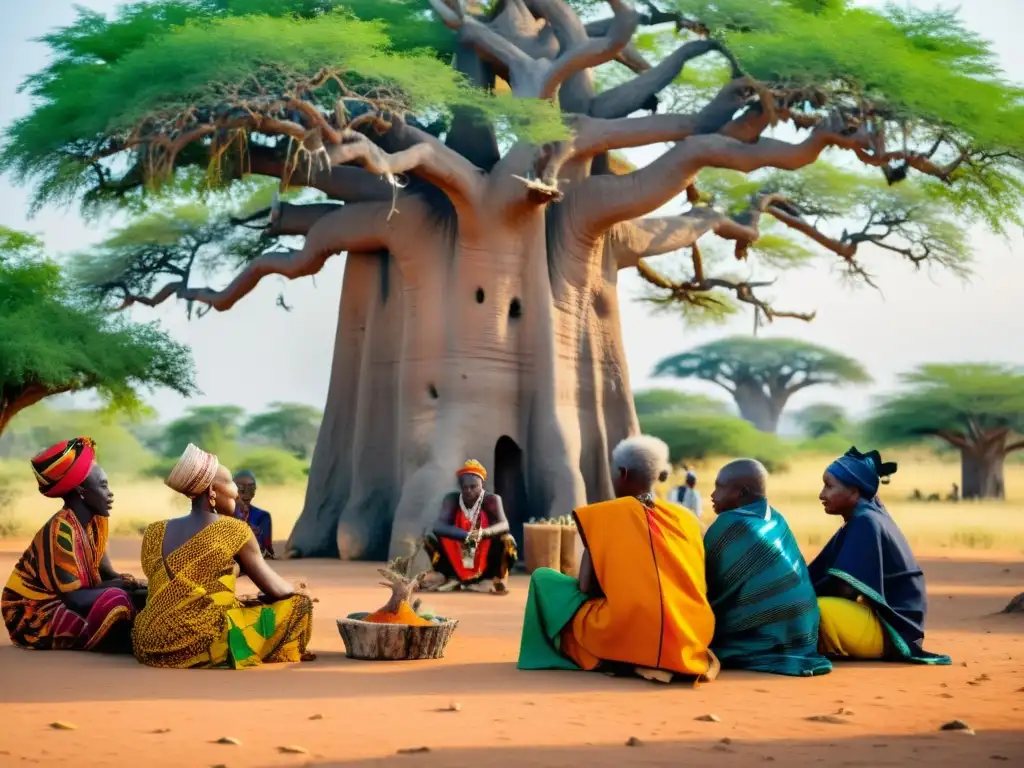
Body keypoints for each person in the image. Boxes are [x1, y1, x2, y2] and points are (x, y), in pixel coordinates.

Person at [517, 435, 716, 683]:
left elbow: (585, 586)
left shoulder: (603, 516)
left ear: (622, 473)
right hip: (688, 634)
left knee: (543, 578)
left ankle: (613, 656)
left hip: (628, 628)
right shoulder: (686, 518)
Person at [132, 444, 315, 668]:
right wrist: (298, 588)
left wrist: (235, 571)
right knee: (300, 604)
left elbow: (177, 583)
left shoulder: (154, 531)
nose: (237, 492)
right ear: (211, 490)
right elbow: (277, 590)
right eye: (230, 483)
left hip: (150, 642)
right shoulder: (234, 530)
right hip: (201, 640)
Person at [808, 447, 950, 665]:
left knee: (808, 610)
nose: (821, 494)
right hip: (879, 623)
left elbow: (844, 589)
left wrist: (799, 597)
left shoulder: (866, 522)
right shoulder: (864, 519)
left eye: (829, 486)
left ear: (854, 492)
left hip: (890, 631)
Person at [2, 437, 145, 652]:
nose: (110, 493)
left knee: (142, 594)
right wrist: (125, 589)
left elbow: (106, 576)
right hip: (35, 616)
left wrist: (137, 587)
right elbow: (76, 599)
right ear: (80, 491)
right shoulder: (60, 530)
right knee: (117, 601)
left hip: (67, 602)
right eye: (103, 485)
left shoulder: (95, 523)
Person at [705, 459, 831, 677]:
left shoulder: (731, 523)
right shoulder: (776, 518)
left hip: (767, 632)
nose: (712, 495)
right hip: (804, 631)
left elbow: (704, 583)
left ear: (741, 493)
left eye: (719, 487)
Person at [423, 460, 517, 594]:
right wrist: (466, 536)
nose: (469, 491)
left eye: (473, 487)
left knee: (508, 540)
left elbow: (504, 524)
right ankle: (446, 574)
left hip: (485, 548)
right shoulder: (452, 499)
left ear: (481, 485)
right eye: (465, 487)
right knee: (429, 537)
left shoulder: (492, 499)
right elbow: (439, 526)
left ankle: (497, 578)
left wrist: (482, 534)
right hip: (458, 549)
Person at [233, 470, 275, 558]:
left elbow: (265, 547)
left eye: (251, 489)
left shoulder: (262, 516)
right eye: (241, 489)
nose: (246, 495)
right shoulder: (223, 513)